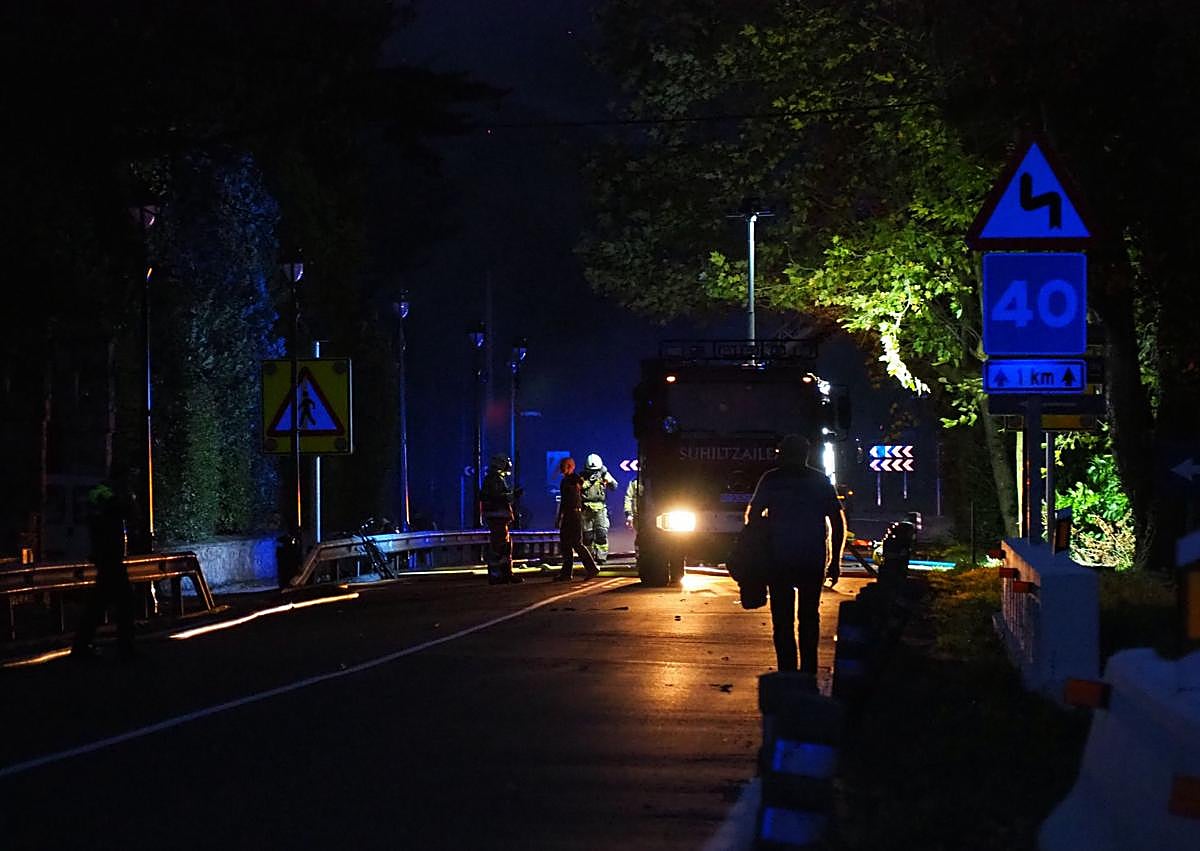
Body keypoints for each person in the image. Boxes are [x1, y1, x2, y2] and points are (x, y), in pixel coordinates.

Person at [745, 434, 846, 674]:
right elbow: (837, 521)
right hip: (812, 558)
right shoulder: (819, 481)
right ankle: (808, 669)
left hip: (779, 558)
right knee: (809, 616)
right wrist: (835, 561)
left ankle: (787, 670)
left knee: (782, 620)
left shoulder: (771, 480)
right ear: (805, 455)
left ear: (782, 454)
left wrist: (757, 547)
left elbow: (753, 516)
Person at [71, 482, 135, 660]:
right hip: (110, 561)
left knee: (99, 605)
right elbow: (121, 510)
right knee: (122, 604)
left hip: (107, 560)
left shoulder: (100, 495)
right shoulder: (107, 496)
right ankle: (124, 647)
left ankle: (82, 645)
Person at [554, 457, 600, 582]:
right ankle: (567, 573)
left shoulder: (573, 479)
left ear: (570, 466)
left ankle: (592, 568)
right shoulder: (565, 481)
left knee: (576, 543)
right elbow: (564, 501)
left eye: (564, 465)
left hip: (574, 514)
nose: (561, 468)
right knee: (566, 544)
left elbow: (580, 482)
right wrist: (559, 517)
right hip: (569, 514)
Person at [480, 453, 523, 584]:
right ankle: (498, 575)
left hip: (499, 518)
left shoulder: (494, 479)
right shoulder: (495, 480)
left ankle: (505, 574)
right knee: (499, 547)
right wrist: (513, 495)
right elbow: (499, 497)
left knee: (504, 546)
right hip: (498, 518)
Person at [581, 453, 619, 563]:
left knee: (601, 533)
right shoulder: (582, 476)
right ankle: (589, 558)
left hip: (600, 508)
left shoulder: (603, 474)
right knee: (587, 536)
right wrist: (592, 479)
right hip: (586, 509)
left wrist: (609, 480)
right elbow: (582, 487)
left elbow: (614, 486)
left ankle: (601, 557)